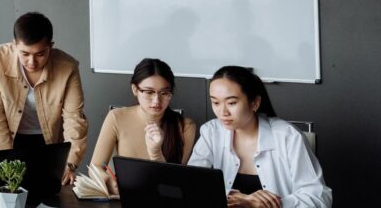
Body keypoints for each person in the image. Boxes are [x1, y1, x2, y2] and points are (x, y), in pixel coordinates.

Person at [188, 66, 332, 208]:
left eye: (231, 103)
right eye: (216, 102)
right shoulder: (212, 131)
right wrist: (238, 197)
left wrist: (271, 204)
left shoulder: (288, 137)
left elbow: (319, 198)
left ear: (255, 103)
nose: (222, 112)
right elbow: (191, 183)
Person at [0, 12, 88, 185]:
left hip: (48, 143)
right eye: (24, 53)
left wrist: (69, 163)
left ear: (50, 46)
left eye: (40, 54)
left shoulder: (68, 67)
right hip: (6, 141)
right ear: (14, 44)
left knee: (48, 196)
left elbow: (74, 119)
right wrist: (7, 162)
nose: (31, 62)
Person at [89, 58, 196, 194]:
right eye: (149, 92)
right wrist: (110, 183)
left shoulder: (186, 126)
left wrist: (156, 152)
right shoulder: (116, 117)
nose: (156, 101)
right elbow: (95, 167)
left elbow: (173, 182)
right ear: (135, 89)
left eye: (164, 93)